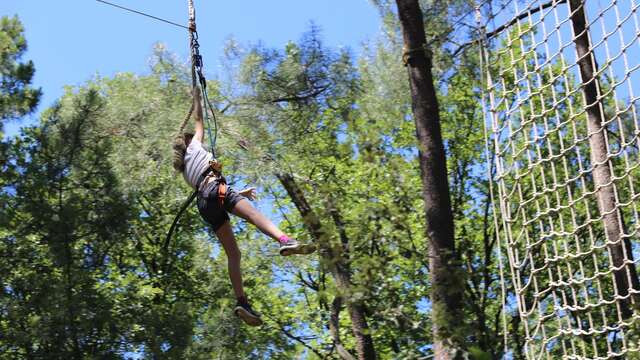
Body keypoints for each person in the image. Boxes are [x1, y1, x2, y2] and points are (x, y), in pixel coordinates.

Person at [172, 89, 316, 326]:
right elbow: (199, 120)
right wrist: (196, 97)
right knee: (255, 215)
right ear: (188, 143)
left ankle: (241, 301)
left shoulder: (186, 173)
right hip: (215, 189)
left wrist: (238, 193)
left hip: (205, 203)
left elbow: (208, 194)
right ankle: (285, 240)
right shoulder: (194, 146)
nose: (196, 138)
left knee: (233, 254)